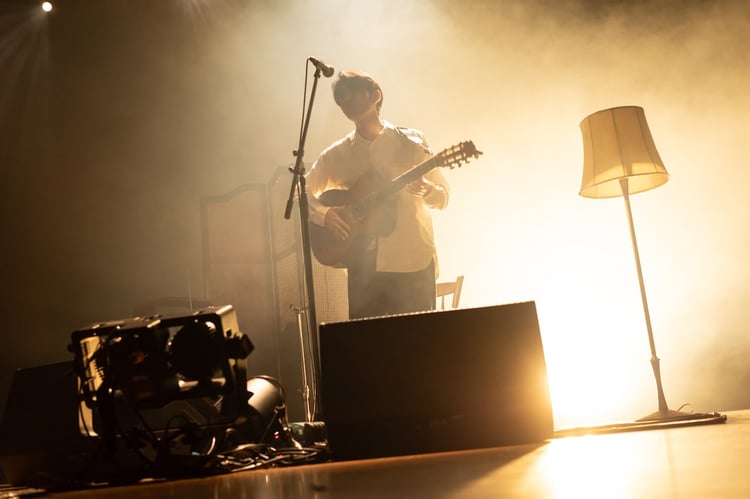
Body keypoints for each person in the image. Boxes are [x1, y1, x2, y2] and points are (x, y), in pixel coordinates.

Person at [305, 70, 450, 319]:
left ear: (375, 95)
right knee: (368, 342)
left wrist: (427, 190)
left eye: (351, 94)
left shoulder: (412, 141)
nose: (345, 101)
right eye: (340, 98)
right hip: (364, 269)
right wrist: (324, 215)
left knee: (420, 339)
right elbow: (301, 190)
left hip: (413, 261)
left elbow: (444, 196)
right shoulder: (337, 154)